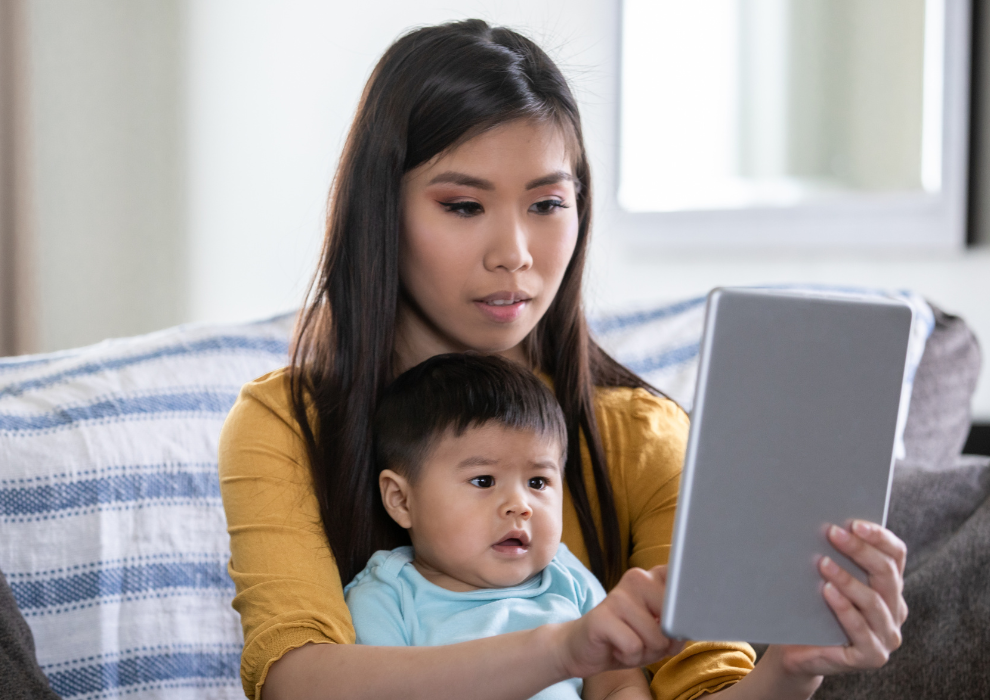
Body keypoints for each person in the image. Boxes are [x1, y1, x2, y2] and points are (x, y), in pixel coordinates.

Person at [218, 18, 908, 700]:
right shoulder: (286, 423)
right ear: (383, 211)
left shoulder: (642, 436)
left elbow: (704, 688)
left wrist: (793, 668)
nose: (514, 253)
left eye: (548, 202)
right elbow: (297, 680)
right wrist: (563, 648)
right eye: (463, 206)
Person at [346, 352, 654, 699]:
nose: (520, 506)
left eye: (538, 483)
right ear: (401, 500)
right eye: (483, 481)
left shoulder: (567, 577)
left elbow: (619, 683)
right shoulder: (387, 596)